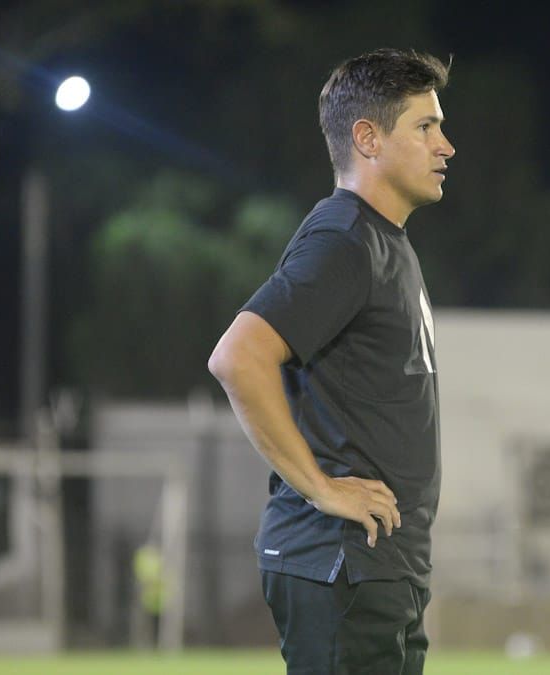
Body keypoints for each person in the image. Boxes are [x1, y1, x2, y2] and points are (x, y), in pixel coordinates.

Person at [208, 48, 455, 674]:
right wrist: (319, 489)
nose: (445, 146)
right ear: (367, 138)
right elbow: (239, 356)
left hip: (378, 567)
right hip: (341, 563)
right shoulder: (344, 238)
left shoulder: (381, 241)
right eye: (424, 127)